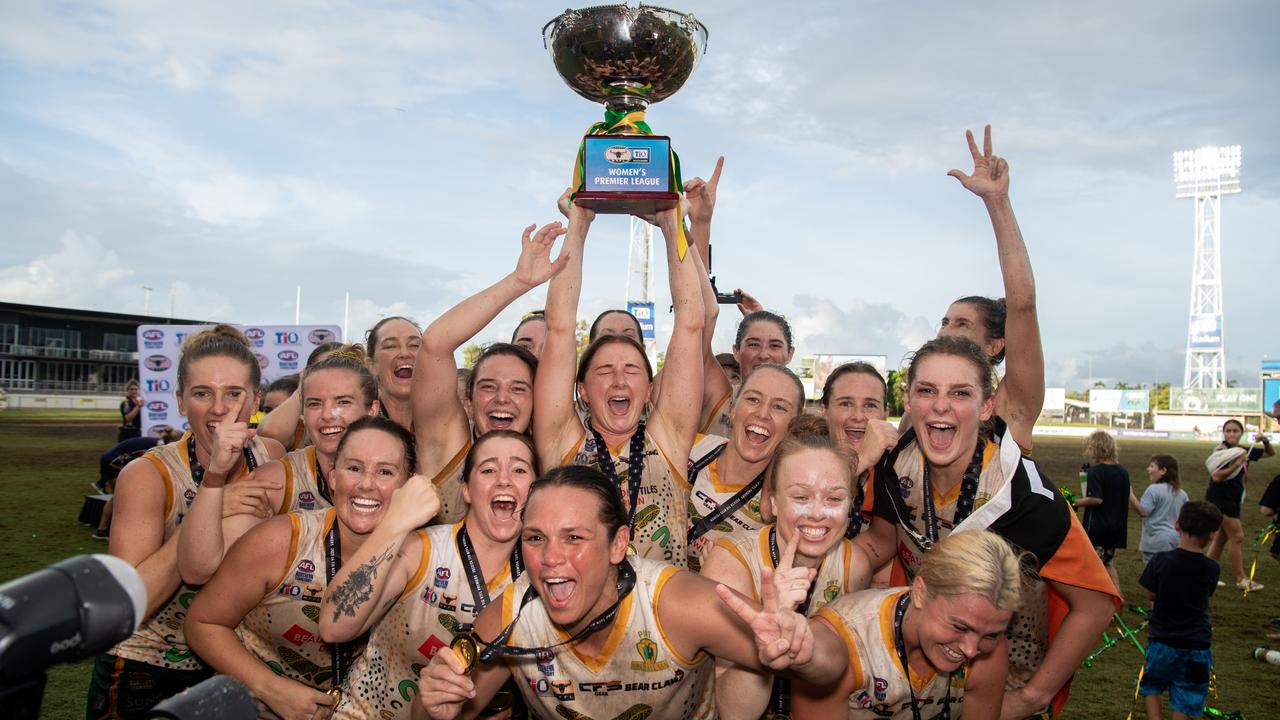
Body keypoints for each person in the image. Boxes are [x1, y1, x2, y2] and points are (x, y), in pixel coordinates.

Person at [413, 465, 848, 720]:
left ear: (619, 544)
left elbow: (831, 665)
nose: (549, 559)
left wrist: (802, 647)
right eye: (535, 538)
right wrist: (430, 703)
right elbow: (449, 712)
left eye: (574, 538)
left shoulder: (674, 603)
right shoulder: (511, 616)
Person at [853, 336, 1118, 719]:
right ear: (908, 400)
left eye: (960, 393)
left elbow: (1095, 606)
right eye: (927, 391)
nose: (941, 405)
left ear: (987, 406)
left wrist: (1031, 696)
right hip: (920, 680)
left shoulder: (1024, 494)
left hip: (1005, 687)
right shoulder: (895, 463)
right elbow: (882, 542)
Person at [86, 325, 287, 719]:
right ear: (180, 401)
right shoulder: (149, 475)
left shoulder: (272, 456)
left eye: (234, 393)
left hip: (231, 665)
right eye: (202, 393)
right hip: (146, 669)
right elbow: (130, 606)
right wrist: (210, 509)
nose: (219, 408)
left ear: (256, 401)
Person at [185, 416, 433, 720]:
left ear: (408, 485)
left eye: (385, 472)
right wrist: (271, 689)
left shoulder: (425, 557)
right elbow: (202, 624)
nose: (366, 484)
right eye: (354, 468)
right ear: (332, 476)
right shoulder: (281, 541)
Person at [533, 195, 706, 565]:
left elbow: (691, 325)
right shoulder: (561, 443)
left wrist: (672, 226)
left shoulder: (668, 440)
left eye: (631, 370)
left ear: (648, 388)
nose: (618, 381)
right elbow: (560, 327)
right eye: (604, 371)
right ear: (581, 389)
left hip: (661, 614)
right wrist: (578, 225)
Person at [320, 430, 537, 720]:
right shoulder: (421, 549)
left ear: (536, 490)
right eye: (488, 469)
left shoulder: (536, 580)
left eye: (519, 469)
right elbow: (333, 627)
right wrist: (395, 523)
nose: (504, 479)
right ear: (466, 490)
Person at [177, 346, 382, 586]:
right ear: (303, 414)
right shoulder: (280, 478)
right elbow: (197, 570)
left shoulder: (402, 472)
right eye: (315, 404)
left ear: (373, 410)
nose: (328, 415)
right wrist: (215, 475)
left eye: (343, 402)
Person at [699, 423, 865, 719]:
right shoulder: (729, 563)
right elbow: (734, 713)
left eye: (834, 499)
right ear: (774, 502)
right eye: (801, 497)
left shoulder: (855, 566)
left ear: (851, 504)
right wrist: (767, 638)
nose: (817, 512)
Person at [414, 223, 565, 524]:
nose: (502, 398)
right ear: (468, 402)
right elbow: (434, 344)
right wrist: (519, 281)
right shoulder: (449, 445)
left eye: (519, 388)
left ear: (538, 403)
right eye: (488, 387)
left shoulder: (550, 453)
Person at [793, 530, 1029, 720]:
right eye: (960, 627)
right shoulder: (842, 644)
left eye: (990, 634)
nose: (970, 649)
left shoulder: (989, 649)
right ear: (920, 593)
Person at [911, 125, 1044, 456]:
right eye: (945, 321)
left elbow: (1022, 304)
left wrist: (997, 201)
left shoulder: (1010, 405)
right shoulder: (922, 407)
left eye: (962, 324)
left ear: (995, 344)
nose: (946, 331)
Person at [685, 363, 805, 571]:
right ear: (733, 408)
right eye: (753, 399)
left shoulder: (782, 507)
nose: (763, 413)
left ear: (794, 425)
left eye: (779, 407)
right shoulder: (691, 448)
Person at [1137, 501, 1223, 720]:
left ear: (1177, 525)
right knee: (1188, 693)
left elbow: (1151, 594)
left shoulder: (1161, 560)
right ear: (1212, 535)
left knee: (1152, 685)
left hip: (1162, 641)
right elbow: (1207, 594)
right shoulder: (1212, 568)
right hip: (1197, 644)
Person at [820, 362, 898, 540]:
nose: (858, 416)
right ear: (824, 410)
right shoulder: (798, 458)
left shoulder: (899, 469)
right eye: (846, 403)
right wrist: (862, 460)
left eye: (870, 405)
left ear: (885, 413)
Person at [1204, 418, 1273, 590]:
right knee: (1237, 536)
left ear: (1241, 433)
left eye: (1235, 431)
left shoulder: (1244, 450)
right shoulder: (1222, 450)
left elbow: (1269, 453)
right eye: (1228, 431)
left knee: (1221, 538)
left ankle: (1204, 574)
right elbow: (1217, 476)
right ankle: (1241, 579)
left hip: (1233, 498)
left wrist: (1265, 440)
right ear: (1223, 433)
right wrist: (1236, 463)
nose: (1232, 434)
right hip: (1220, 497)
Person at [255, 340, 344, 450]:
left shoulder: (369, 410)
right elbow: (271, 434)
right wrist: (302, 388)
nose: (336, 378)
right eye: (324, 369)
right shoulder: (304, 422)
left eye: (346, 368)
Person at [1077, 431, 1130, 600]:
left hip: (1098, 528)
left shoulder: (1097, 471)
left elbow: (1096, 499)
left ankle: (1098, 599)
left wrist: (1074, 502)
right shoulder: (1122, 471)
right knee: (1107, 562)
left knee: (1092, 565)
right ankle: (1118, 597)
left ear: (1095, 449)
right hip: (1116, 526)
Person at [367, 316, 423, 431]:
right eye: (391, 346)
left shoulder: (442, 420)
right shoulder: (360, 425)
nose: (404, 353)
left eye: (414, 345)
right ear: (371, 365)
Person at [1130, 455, 1188, 565]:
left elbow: (1143, 512)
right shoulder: (1182, 493)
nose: (1148, 469)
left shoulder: (1153, 490)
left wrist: (1130, 494)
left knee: (1154, 578)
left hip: (1155, 543)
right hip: (1175, 541)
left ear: (1163, 471)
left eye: (1152, 466)